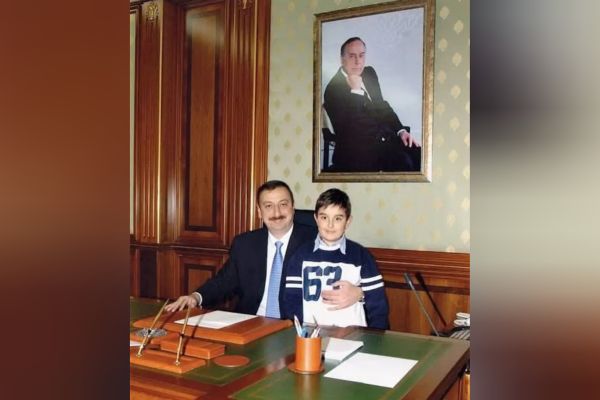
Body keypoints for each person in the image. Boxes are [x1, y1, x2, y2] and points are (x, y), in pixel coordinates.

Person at [165, 180, 363, 317]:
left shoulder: (317, 241)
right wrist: (195, 297)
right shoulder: (245, 244)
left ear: (293, 207)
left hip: (296, 328)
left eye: (283, 204)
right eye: (268, 206)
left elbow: (352, 277)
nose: (276, 212)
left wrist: (360, 294)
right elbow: (224, 282)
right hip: (250, 324)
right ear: (259, 212)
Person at [283, 188, 390, 330]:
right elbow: (292, 303)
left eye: (338, 218)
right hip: (311, 336)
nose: (330, 225)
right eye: (324, 217)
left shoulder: (361, 256)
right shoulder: (300, 256)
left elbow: (378, 307)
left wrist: (375, 338)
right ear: (316, 219)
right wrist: (301, 334)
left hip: (353, 336)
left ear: (348, 221)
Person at [323, 37, 421, 172]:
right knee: (405, 163)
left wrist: (401, 131)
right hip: (359, 150)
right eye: (352, 56)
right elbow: (351, 130)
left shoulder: (369, 73)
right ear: (342, 59)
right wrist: (356, 91)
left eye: (361, 55)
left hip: (385, 139)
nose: (358, 61)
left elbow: (382, 105)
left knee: (420, 155)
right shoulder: (332, 90)